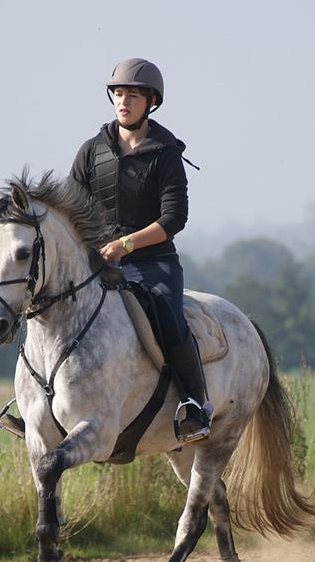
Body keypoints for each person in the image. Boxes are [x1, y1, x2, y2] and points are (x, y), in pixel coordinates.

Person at [70, 58, 211, 442]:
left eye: (132, 94)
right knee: (50, 303)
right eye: (118, 93)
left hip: (152, 262)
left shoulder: (165, 153)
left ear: (150, 101)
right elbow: (72, 210)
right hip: (97, 259)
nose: (123, 100)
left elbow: (173, 220)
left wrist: (125, 244)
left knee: (168, 314)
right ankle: (32, 405)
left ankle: (196, 404)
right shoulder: (90, 151)